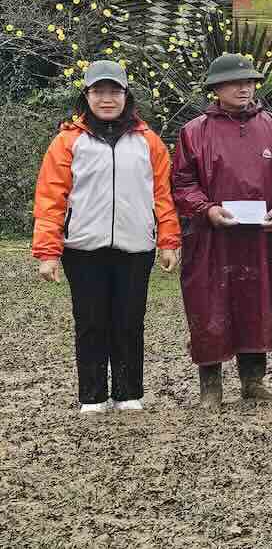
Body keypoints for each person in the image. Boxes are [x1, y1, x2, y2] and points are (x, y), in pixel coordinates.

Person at [33, 61, 180, 414]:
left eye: (114, 91)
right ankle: (93, 396)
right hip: (83, 247)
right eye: (99, 91)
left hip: (135, 246)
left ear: (126, 95)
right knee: (90, 321)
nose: (107, 98)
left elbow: (163, 194)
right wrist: (47, 251)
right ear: (87, 96)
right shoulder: (68, 141)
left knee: (129, 320)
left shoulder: (149, 142)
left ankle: (129, 393)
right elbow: (51, 197)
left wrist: (169, 240)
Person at [172, 53, 272, 410]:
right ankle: (210, 385)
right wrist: (207, 209)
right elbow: (183, 183)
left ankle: (253, 379)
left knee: (258, 302)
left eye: (249, 81)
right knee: (209, 303)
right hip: (212, 238)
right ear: (216, 88)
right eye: (235, 82)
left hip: (262, 237)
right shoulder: (194, 131)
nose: (244, 87)